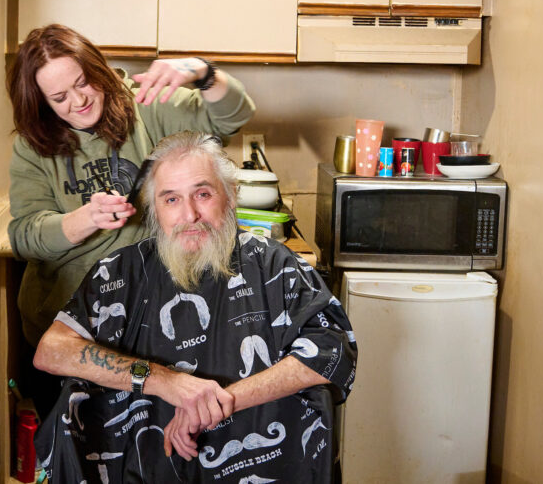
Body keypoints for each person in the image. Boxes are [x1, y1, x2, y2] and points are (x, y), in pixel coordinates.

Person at [32, 131, 357, 483]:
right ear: (154, 209)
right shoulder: (121, 273)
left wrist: (218, 403)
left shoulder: (273, 266)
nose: (190, 214)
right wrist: (165, 382)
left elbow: (332, 353)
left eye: (203, 194)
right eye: (171, 199)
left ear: (230, 196)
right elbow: (51, 351)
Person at [8, 25, 256, 407]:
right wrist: (85, 219)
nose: (78, 101)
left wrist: (203, 72)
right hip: (68, 329)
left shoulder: (146, 107)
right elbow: (24, 237)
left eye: (83, 82)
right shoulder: (32, 146)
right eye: (59, 97)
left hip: (150, 324)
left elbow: (233, 117)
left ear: (97, 68)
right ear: (41, 102)